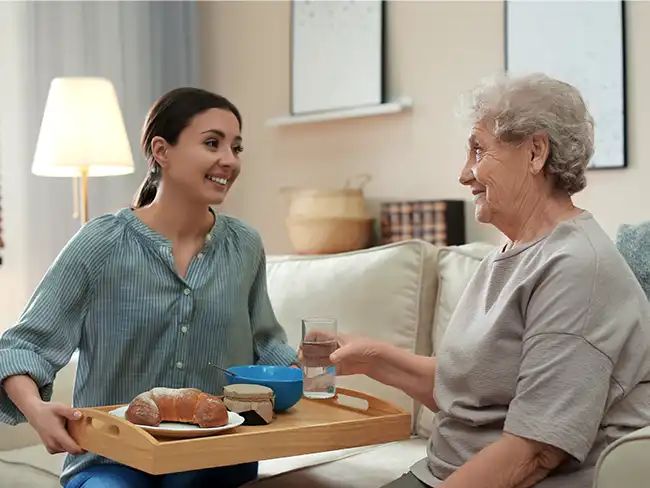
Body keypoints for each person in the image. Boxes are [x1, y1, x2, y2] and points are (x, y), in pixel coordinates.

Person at [311, 73, 650, 488]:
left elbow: (535, 451)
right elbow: (477, 396)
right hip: (442, 474)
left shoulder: (577, 267)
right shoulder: (508, 254)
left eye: (478, 149)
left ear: (535, 152)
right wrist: (375, 359)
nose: (464, 174)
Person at [0, 87, 298, 487]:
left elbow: (266, 345)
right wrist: (37, 412)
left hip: (215, 453)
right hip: (111, 460)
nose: (229, 160)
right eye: (213, 143)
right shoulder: (101, 243)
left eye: (237, 147)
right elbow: (23, 348)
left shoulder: (244, 245)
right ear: (162, 151)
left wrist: (315, 365)